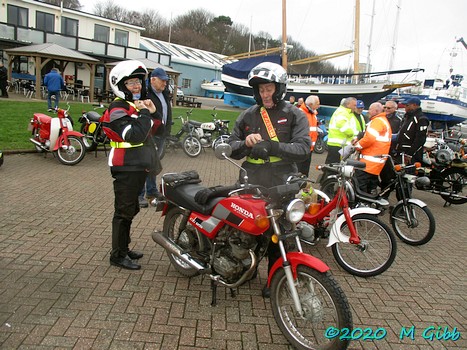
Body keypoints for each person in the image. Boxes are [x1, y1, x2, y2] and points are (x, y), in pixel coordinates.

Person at [227, 62, 311, 298]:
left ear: (279, 88)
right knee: (247, 228)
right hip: (250, 179)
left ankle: (275, 279)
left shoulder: (295, 114)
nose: (265, 94)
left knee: (280, 233)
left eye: (269, 88)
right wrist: (245, 144)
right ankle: (248, 269)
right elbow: (231, 147)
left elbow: (304, 148)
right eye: (261, 89)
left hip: (281, 180)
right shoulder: (247, 115)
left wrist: (272, 146)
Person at [101, 60, 160, 270]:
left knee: (132, 208)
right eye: (131, 83)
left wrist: (153, 111)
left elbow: (155, 130)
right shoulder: (118, 108)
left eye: (138, 82)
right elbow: (135, 135)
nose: (136, 86)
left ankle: (124, 248)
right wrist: (145, 113)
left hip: (138, 164)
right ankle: (117, 255)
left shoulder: (134, 106)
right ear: (121, 85)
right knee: (123, 211)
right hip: (125, 165)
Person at [138, 67, 172, 208]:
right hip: (149, 135)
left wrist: (166, 131)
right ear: (153, 79)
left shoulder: (164, 93)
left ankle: (151, 190)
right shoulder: (144, 93)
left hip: (161, 134)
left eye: (166, 81)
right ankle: (139, 194)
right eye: (162, 80)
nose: (165, 83)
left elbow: (166, 112)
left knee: (153, 164)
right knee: (144, 165)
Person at [352, 102, 392, 194]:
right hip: (377, 162)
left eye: (370, 109)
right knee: (370, 187)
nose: (368, 111)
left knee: (359, 188)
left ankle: (359, 206)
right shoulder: (383, 121)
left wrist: (357, 146)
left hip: (368, 163)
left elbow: (369, 138)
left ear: (376, 111)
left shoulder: (377, 121)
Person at [395, 97, 429, 165]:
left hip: (411, 155)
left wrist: (410, 154)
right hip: (400, 152)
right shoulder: (407, 117)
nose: (405, 107)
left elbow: (421, 139)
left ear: (414, 105)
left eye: (407, 105)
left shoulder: (421, 119)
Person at [325, 97, 358, 166]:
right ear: (348, 105)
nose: (356, 107)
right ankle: (327, 176)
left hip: (340, 144)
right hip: (337, 144)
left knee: (335, 165)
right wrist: (351, 134)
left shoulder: (346, 112)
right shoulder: (342, 112)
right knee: (333, 165)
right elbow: (342, 125)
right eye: (354, 105)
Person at [379, 100, 403, 192]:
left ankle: (384, 193)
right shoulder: (381, 117)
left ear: (395, 109)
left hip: (390, 150)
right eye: (384, 107)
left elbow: (398, 135)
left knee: (387, 175)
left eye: (388, 108)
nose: (386, 109)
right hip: (378, 149)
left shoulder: (398, 120)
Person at [297, 95, 320, 176]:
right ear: (310, 104)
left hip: (309, 149)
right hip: (300, 149)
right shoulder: (300, 113)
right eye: (317, 104)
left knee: (305, 172)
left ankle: (303, 187)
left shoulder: (313, 114)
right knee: (298, 171)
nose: (319, 106)